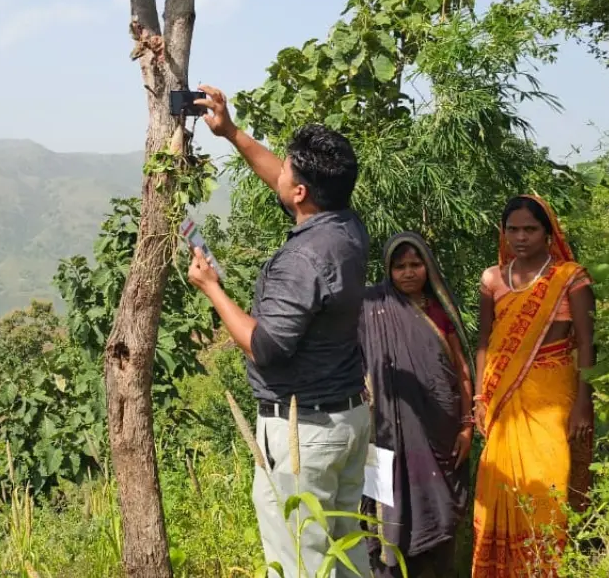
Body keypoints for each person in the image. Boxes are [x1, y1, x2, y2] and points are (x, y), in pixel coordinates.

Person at [187, 85, 371, 577]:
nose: (281, 172)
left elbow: (266, 347)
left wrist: (212, 289)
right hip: (347, 421)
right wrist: (230, 133)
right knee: (347, 554)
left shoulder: (302, 260)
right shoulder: (347, 229)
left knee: (299, 564)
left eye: (288, 168)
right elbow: (284, 183)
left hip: (302, 433)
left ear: (303, 192)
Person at [471, 195, 596, 577]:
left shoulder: (569, 277)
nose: (521, 237)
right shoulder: (492, 279)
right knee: (501, 484)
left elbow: (588, 344)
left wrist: (584, 404)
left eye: (530, 229)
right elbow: (484, 341)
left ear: (548, 232)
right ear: (503, 233)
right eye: (513, 230)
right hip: (501, 398)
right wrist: (478, 398)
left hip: (553, 396)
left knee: (548, 489)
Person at [360, 232, 474, 577]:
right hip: (383, 434)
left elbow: (462, 370)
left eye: (415, 264)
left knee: (439, 512)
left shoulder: (441, 312)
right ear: (388, 270)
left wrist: (467, 425)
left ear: (428, 266)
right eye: (399, 267)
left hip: (439, 432)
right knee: (385, 512)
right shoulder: (370, 309)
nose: (408, 273)